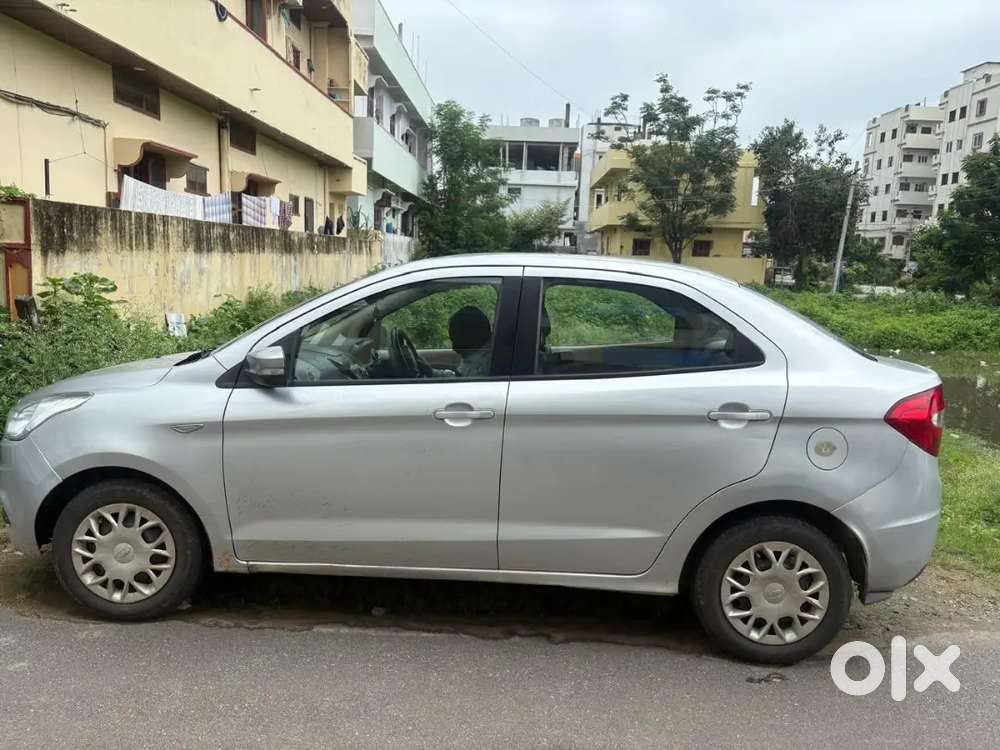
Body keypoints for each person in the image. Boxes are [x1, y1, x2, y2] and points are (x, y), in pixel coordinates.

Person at [448, 306, 492, 377]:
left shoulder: (481, 368)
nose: (455, 349)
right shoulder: (474, 355)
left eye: (458, 341)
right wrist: (433, 373)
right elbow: (458, 375)